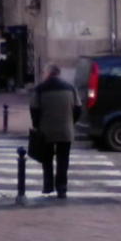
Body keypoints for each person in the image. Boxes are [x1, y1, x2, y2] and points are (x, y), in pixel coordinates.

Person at [29, 63, 81, 198]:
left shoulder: (40, 89)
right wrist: (71, 121)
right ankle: (62, 188)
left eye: (43, 73)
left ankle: (48, 186)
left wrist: (37, 124)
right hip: (66, 130)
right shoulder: (70, 88)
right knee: (63, 160)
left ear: (48, 73)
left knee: (47, 159)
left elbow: (34, 109)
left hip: (46, 130)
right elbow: (78, 109)